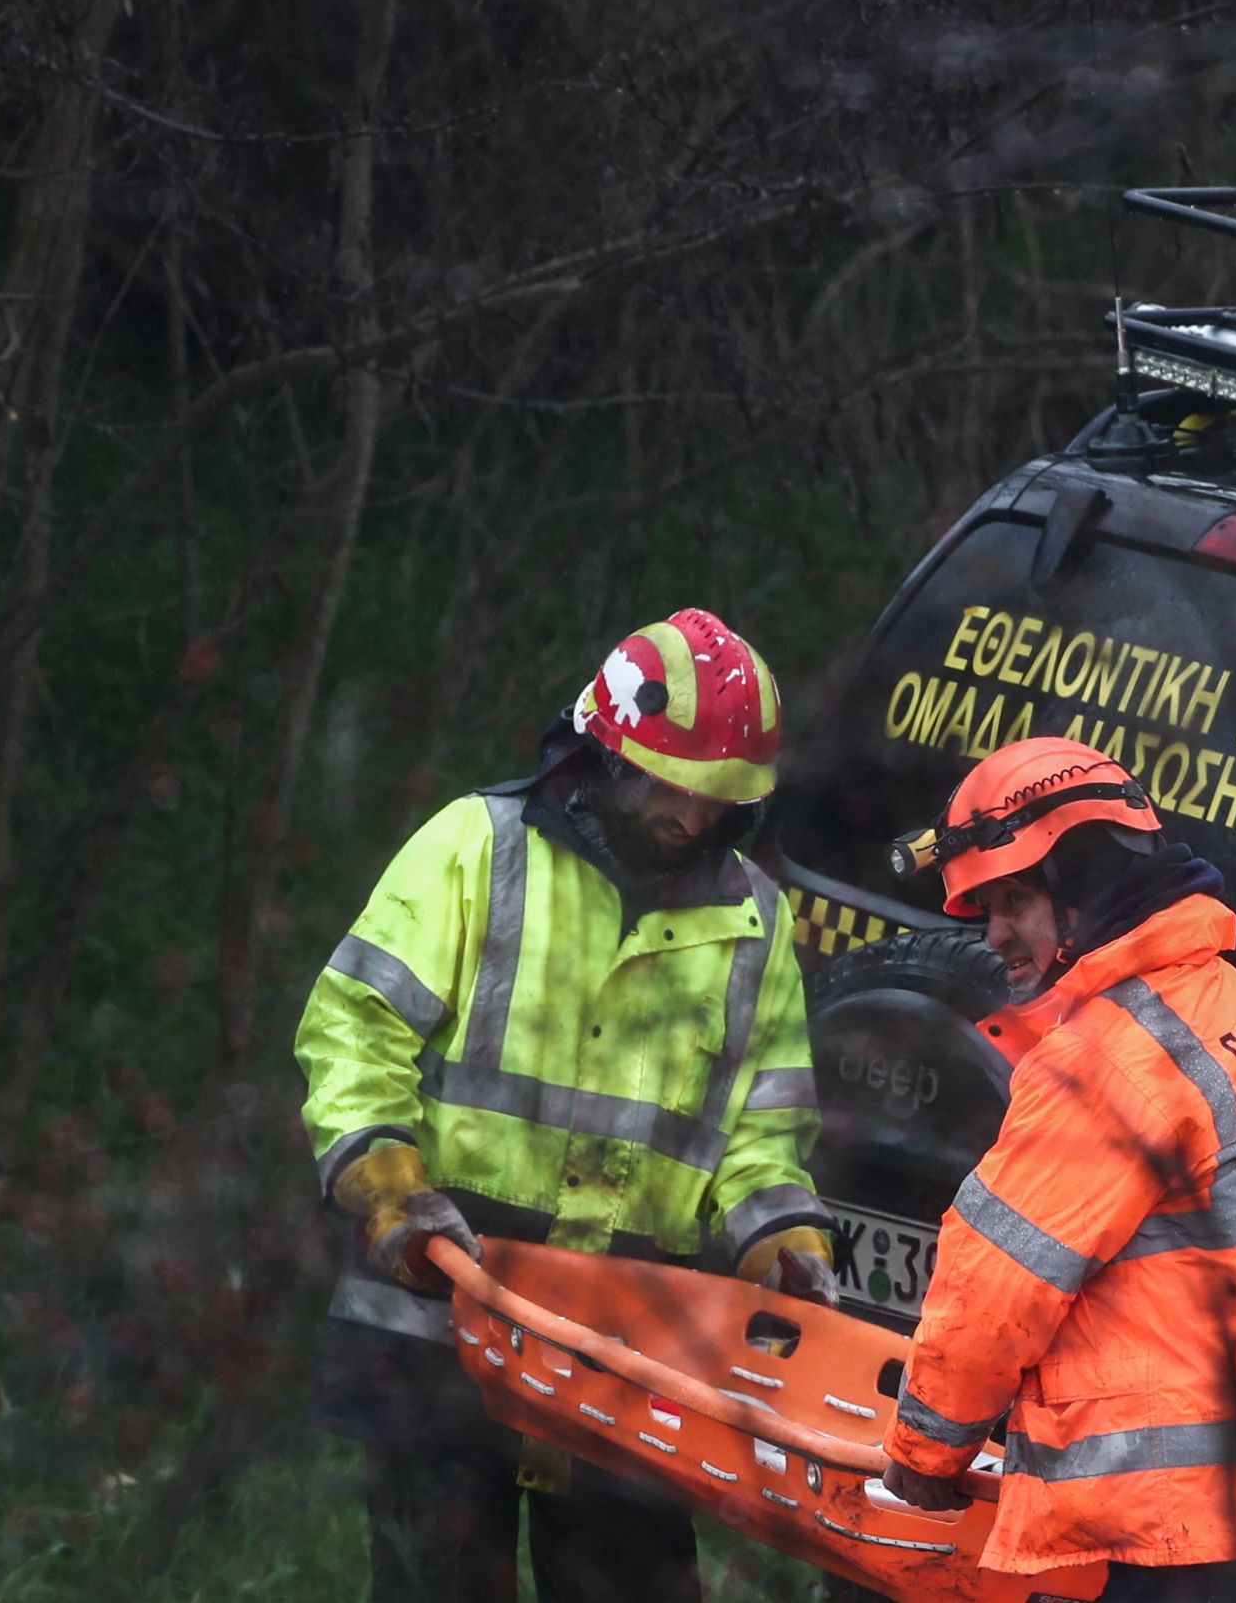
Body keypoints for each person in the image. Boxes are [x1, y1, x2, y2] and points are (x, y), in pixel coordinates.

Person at [295, 608, 837, 1603]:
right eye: (673, 786)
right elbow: (354, 1029)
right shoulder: (476, 850)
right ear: (607, 752)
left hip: (631, 1359)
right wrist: (384, 1186)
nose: (691, 816)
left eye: (717, 798)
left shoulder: (756, 924)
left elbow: (762, 1141)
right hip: (443, 1319)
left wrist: (781, 1238)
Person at [874, 737, 1236, 1600]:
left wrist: (924, 1455)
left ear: (1081, 886)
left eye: (1013, 901)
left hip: (1202, 1532)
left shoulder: (1103, 1063)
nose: (994, 933)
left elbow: (994, 1289)